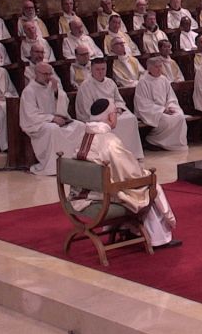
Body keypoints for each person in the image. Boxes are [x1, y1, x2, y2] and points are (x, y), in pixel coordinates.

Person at [75, 99, 179, 249]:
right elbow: (131, 174)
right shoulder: (110, 142)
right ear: (110, 117)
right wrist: (145, 175)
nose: (116, 117)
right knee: (148, 185)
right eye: (116, 113)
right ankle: (159, 238)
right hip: (102, 196)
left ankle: (128, 227)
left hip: (86, 191)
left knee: (134, 186)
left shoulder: (83, 136)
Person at [19, 62, 85, 176]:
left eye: (50, 74)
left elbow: (63, 102)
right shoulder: (29, 91)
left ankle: (74, 161)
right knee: (52, 129)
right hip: (38, 125)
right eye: (45, 74)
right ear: (36, 73)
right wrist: (52, 118)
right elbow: (31, 115)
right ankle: (54, 166)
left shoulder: (53, 85)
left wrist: (56, 92)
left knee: (80, 126)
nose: (48, 77)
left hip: (56, 119)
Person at [75, 61, 145, 160]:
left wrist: (119, 108)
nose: (100, 72)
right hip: (95, 116)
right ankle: (111, 155)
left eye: (103, 69)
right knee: (112, 122)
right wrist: (106, 115)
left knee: (130, 118)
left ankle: (131, 153)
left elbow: (118, 100)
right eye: (97, 69)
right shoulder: (86, 86)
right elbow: (88, 109)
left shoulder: (110, 82)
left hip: (113, 113)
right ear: (92, 70)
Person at [134, 57, 189, 151]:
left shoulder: (164, 79)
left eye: (160, 66)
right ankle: (154, 140)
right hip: (152, 112)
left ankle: (176, 143)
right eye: (156, 67)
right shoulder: (143, 82)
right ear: (149, 68)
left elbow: (171, 97)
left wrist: (171, 107)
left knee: (179, 116)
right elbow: (143, 104)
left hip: (166, 108)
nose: (159, 69)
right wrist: (162, 110)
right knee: (167, 120)